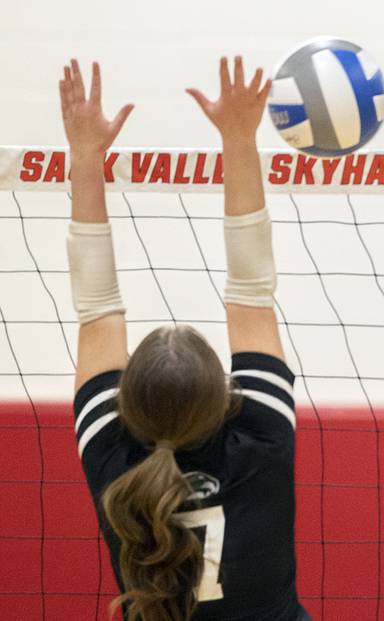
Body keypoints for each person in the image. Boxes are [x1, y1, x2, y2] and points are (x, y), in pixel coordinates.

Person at [61, 56, 309, 620]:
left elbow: (96, 307)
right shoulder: (259, 438)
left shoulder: (113, 457)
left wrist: (83, 156)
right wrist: (240, 139)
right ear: (228, 401)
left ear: (127, 405)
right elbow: (252, 289)